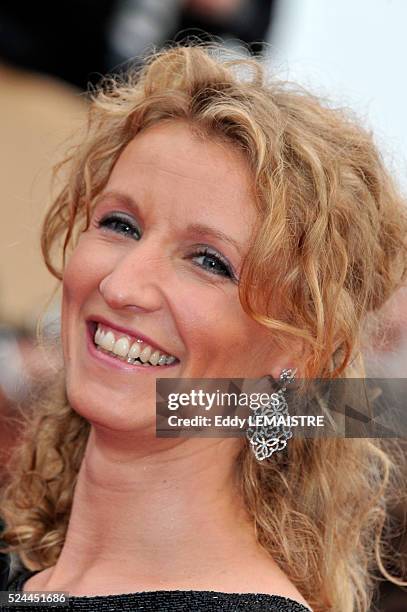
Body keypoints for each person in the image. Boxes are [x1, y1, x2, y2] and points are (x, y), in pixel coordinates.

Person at [1, 44, 407, 612]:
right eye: (120, 224)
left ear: (300, 348)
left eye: (209, 261)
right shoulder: (19, 568)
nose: (122, 286)